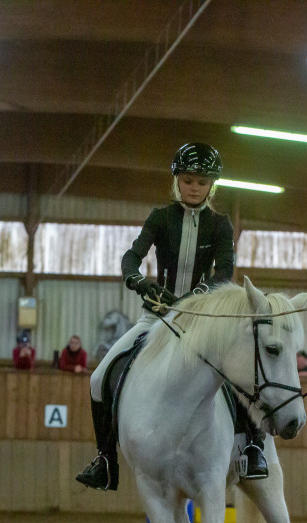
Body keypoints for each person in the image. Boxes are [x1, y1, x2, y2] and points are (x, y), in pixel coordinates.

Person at [76, 142, 235, 491]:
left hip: (200, 325)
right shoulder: (160, 218)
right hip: (156, 319)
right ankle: (105, 458)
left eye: (202, 182)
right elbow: (131, 257)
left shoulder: (221, 225)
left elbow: (224, 272)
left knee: (237, 373)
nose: (194, 187)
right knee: (98, 377)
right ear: (177, 180)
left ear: (212, 186)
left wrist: (193, 299)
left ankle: (251, 448)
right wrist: (138, 281)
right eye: (188, 179)